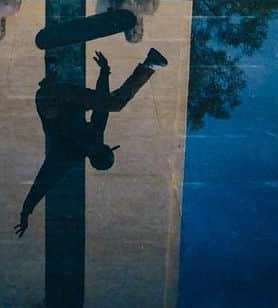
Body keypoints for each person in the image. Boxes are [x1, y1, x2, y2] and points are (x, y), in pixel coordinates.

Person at [15, 47, 168, 236]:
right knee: (114, 103)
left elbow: (44, 183)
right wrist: (104, 72)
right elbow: (102, 104)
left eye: (99, 147)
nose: (98, 142)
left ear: (95, 154)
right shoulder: (96, 135)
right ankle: (149, 65)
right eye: (101, 144)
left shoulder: (67, 157)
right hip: (69, 99)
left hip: (50, 101)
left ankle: (52, 71)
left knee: (55, 112)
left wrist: (26, 211)